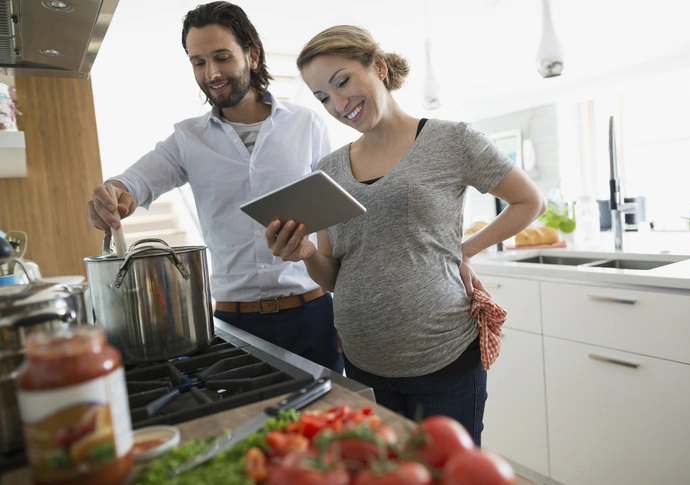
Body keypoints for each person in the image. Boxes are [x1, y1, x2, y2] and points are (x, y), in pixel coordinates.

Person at [266, 25, 546, 443]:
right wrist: (306, 252)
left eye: (343, 81)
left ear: (378, 66)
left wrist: (461, 252)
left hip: (442, 357)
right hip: (362, 361)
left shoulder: (453, 139)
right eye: (323, 97)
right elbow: (333, 279)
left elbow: (529, 202)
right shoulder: (329, 169)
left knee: (447, 473)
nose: (339, 104)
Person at [85, 1, 343, 373]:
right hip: (235, 324)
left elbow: (338, 222)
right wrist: (113, 193)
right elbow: (133, 183)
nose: (211, 73)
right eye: (198, 62)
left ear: (252, 56)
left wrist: (345, 309)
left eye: (222, 57)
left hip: (314, 314)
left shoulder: (306, 125)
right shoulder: (188, 139)